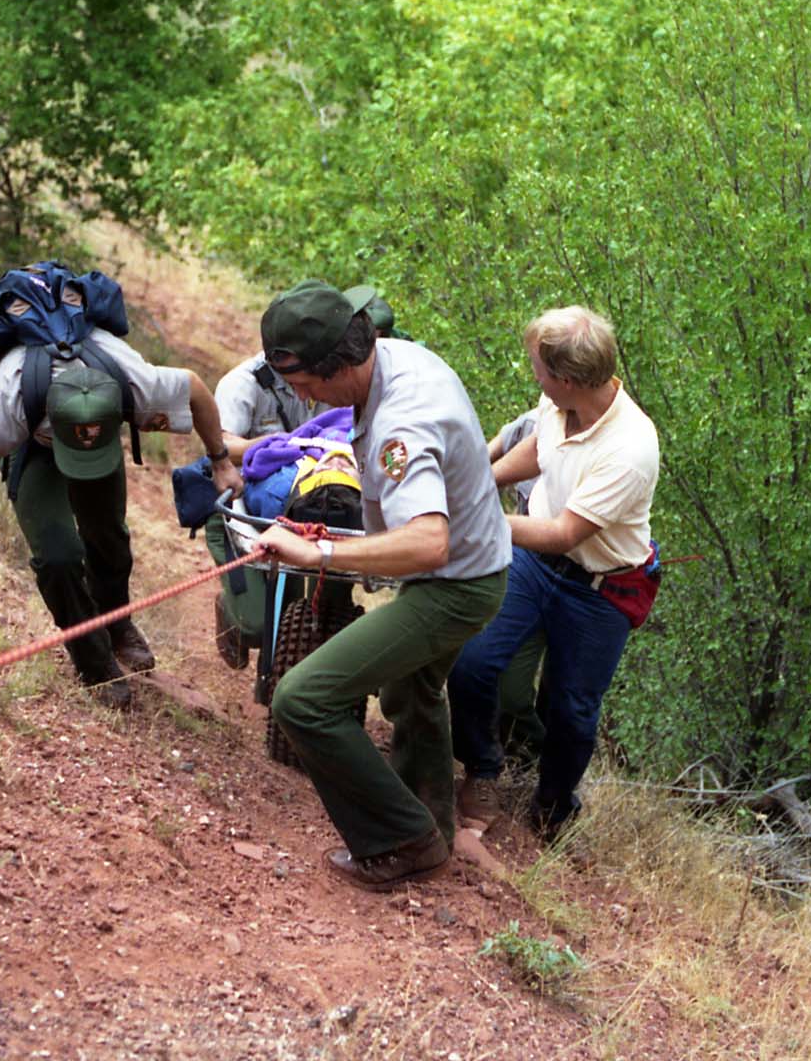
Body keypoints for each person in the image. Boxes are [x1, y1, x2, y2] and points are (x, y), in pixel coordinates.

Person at [255, 279, 511, 893]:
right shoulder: (393, 356)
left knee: (302, 699)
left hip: (455, 584)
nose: (305, 399)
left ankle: (403, 839)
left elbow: (427, 541)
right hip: (472, 568)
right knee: (411, 686)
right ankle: (433, 830)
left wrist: (318, 552)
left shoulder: (402, 421)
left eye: (309, 386)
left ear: (342, 362)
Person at [0, 334, 243, 709]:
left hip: (100, 435)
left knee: (110, 539)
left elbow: (194, 388)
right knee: (57, 556)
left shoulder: (133, 382)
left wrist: (221, 462)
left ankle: (115, 621)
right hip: (34, 443)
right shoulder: (9, 402)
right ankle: (94, 663)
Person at [448, 306, 659, 839]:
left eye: (539, 369)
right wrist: (479, 483)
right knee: (472, 660)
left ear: (566, 379)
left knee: (572, 714)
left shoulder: (631, 448)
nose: (534, 376)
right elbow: (539, 448)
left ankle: (551, 808)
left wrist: (479, 518)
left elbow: (566, 533)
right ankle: (482, 771)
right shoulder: (560, 400)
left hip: (599, 587)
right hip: (533, 562)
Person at [206, 284, 377, 667]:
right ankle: (241, 624)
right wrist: (286, 444)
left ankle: (312, 665)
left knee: (323, 595)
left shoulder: (331, 378)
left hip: (315, 494)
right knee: (260, 621)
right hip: (260, 497)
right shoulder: (243, 383)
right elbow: (218, 444)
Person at [485, 406, 548, 766]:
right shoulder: (531, 422)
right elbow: (484, 458)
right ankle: (526, 758)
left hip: (587, 581)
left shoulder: (613, 437)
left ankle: (548, 784)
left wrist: (484, 521)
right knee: (510, 688)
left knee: (567, 703)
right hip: (525, 568)